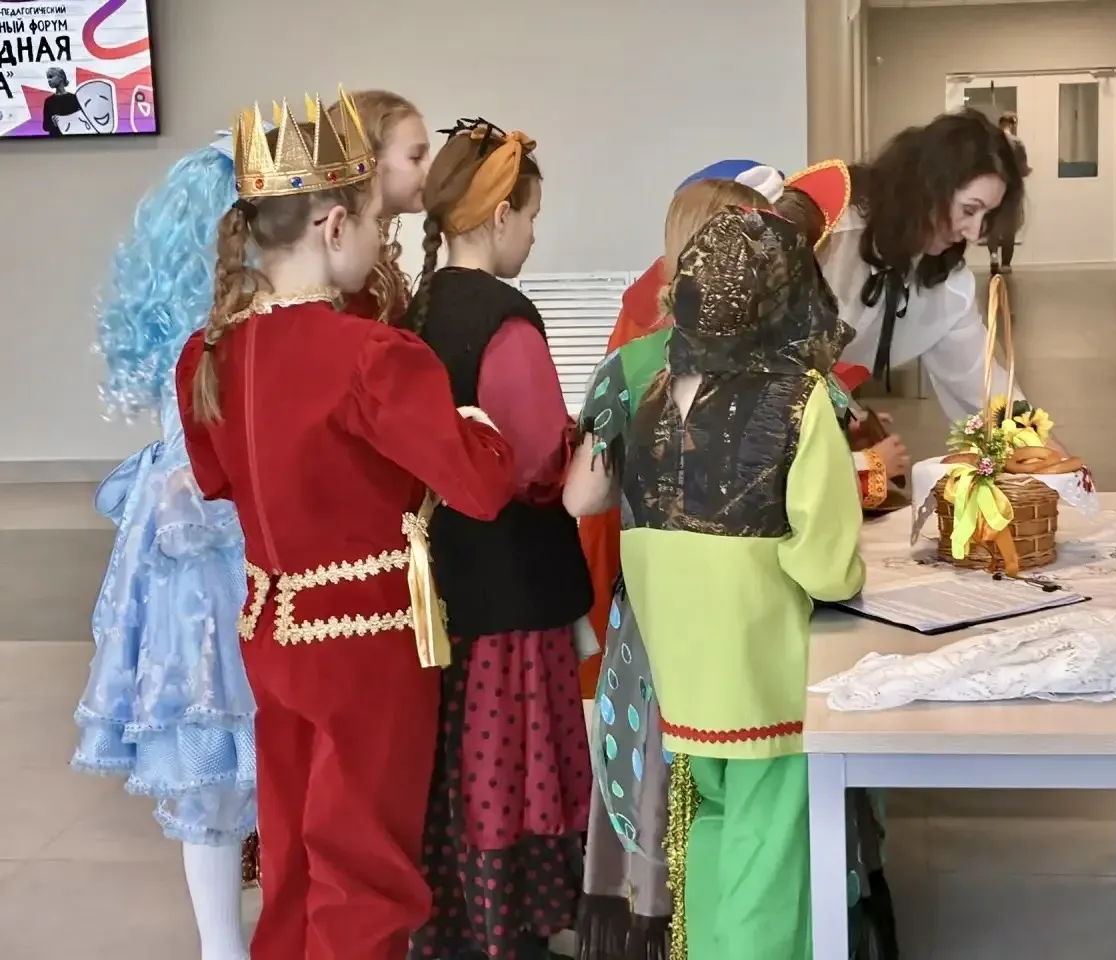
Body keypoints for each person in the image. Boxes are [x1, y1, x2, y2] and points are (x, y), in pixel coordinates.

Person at [174, 90, 516, 960]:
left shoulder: (209, 353)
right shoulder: (370, 356)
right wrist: (475, 425)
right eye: (373, 223)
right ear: (333, 226)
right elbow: (480, 487)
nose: (381, 240)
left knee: (292, 856)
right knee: (365, 869)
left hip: (270, 632)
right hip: (368, 642)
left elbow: (217, 478)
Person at [570, 207, 865, 960]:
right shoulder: (800, 400)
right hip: (763, 676)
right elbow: (826, 565)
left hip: (682, 674)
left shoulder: (647, 395)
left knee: (707, 823)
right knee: (769, 848)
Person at [398, 117, 594, 960]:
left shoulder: (420, 306)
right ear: (499, 214)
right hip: (515, 582)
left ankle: (460, 921)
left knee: (462, 765)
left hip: (447, 577)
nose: (535, 234)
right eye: (532, 215)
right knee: (516, 762)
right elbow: (539, 463)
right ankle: (515, 925)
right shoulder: (506, 319)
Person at [573, 174, 773, 960]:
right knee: (746, 795)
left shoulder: (630, 365)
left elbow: (583, 496)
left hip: (657, 618)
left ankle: (656, 921)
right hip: (752, 613)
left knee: (662, 772)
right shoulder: (787, 369)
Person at [71, 131, 256, 960]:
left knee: (209, 765)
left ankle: (223, 945)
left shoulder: (181, 328)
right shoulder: (234, 336)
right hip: (229, 552)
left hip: (182, 566)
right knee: (241, 749)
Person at [823, 109, 1029, 422]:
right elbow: (769, 364)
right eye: (968, 210)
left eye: (986, 216)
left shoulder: (947, 283)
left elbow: (983, 385)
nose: (974, 234)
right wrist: (841, 419)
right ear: (928, 188)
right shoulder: (832, 237)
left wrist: (1039, 443)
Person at [334, 89, 431, 322]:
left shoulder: (377, 266)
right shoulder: (348, 278)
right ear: (368, 163)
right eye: (416, 157)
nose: (431, 168)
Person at [988, 112, 1031, 275]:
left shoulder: (991, 143)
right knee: (1009, 226)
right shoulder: (1018, 143)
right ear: (1013, 125)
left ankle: (993, 255)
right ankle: (1006, 263)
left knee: (993, 224)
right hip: (1012, 190)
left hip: (993, 188)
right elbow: (1023, 169)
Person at [42, 66, 81, 134]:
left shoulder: (73, 98)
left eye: (51, 77)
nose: (49, 80)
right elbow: (45, 127)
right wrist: (53, 123)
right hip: (54, 138)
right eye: (48, 78)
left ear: (61, 77)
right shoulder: (48, 101)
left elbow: (80, 121)